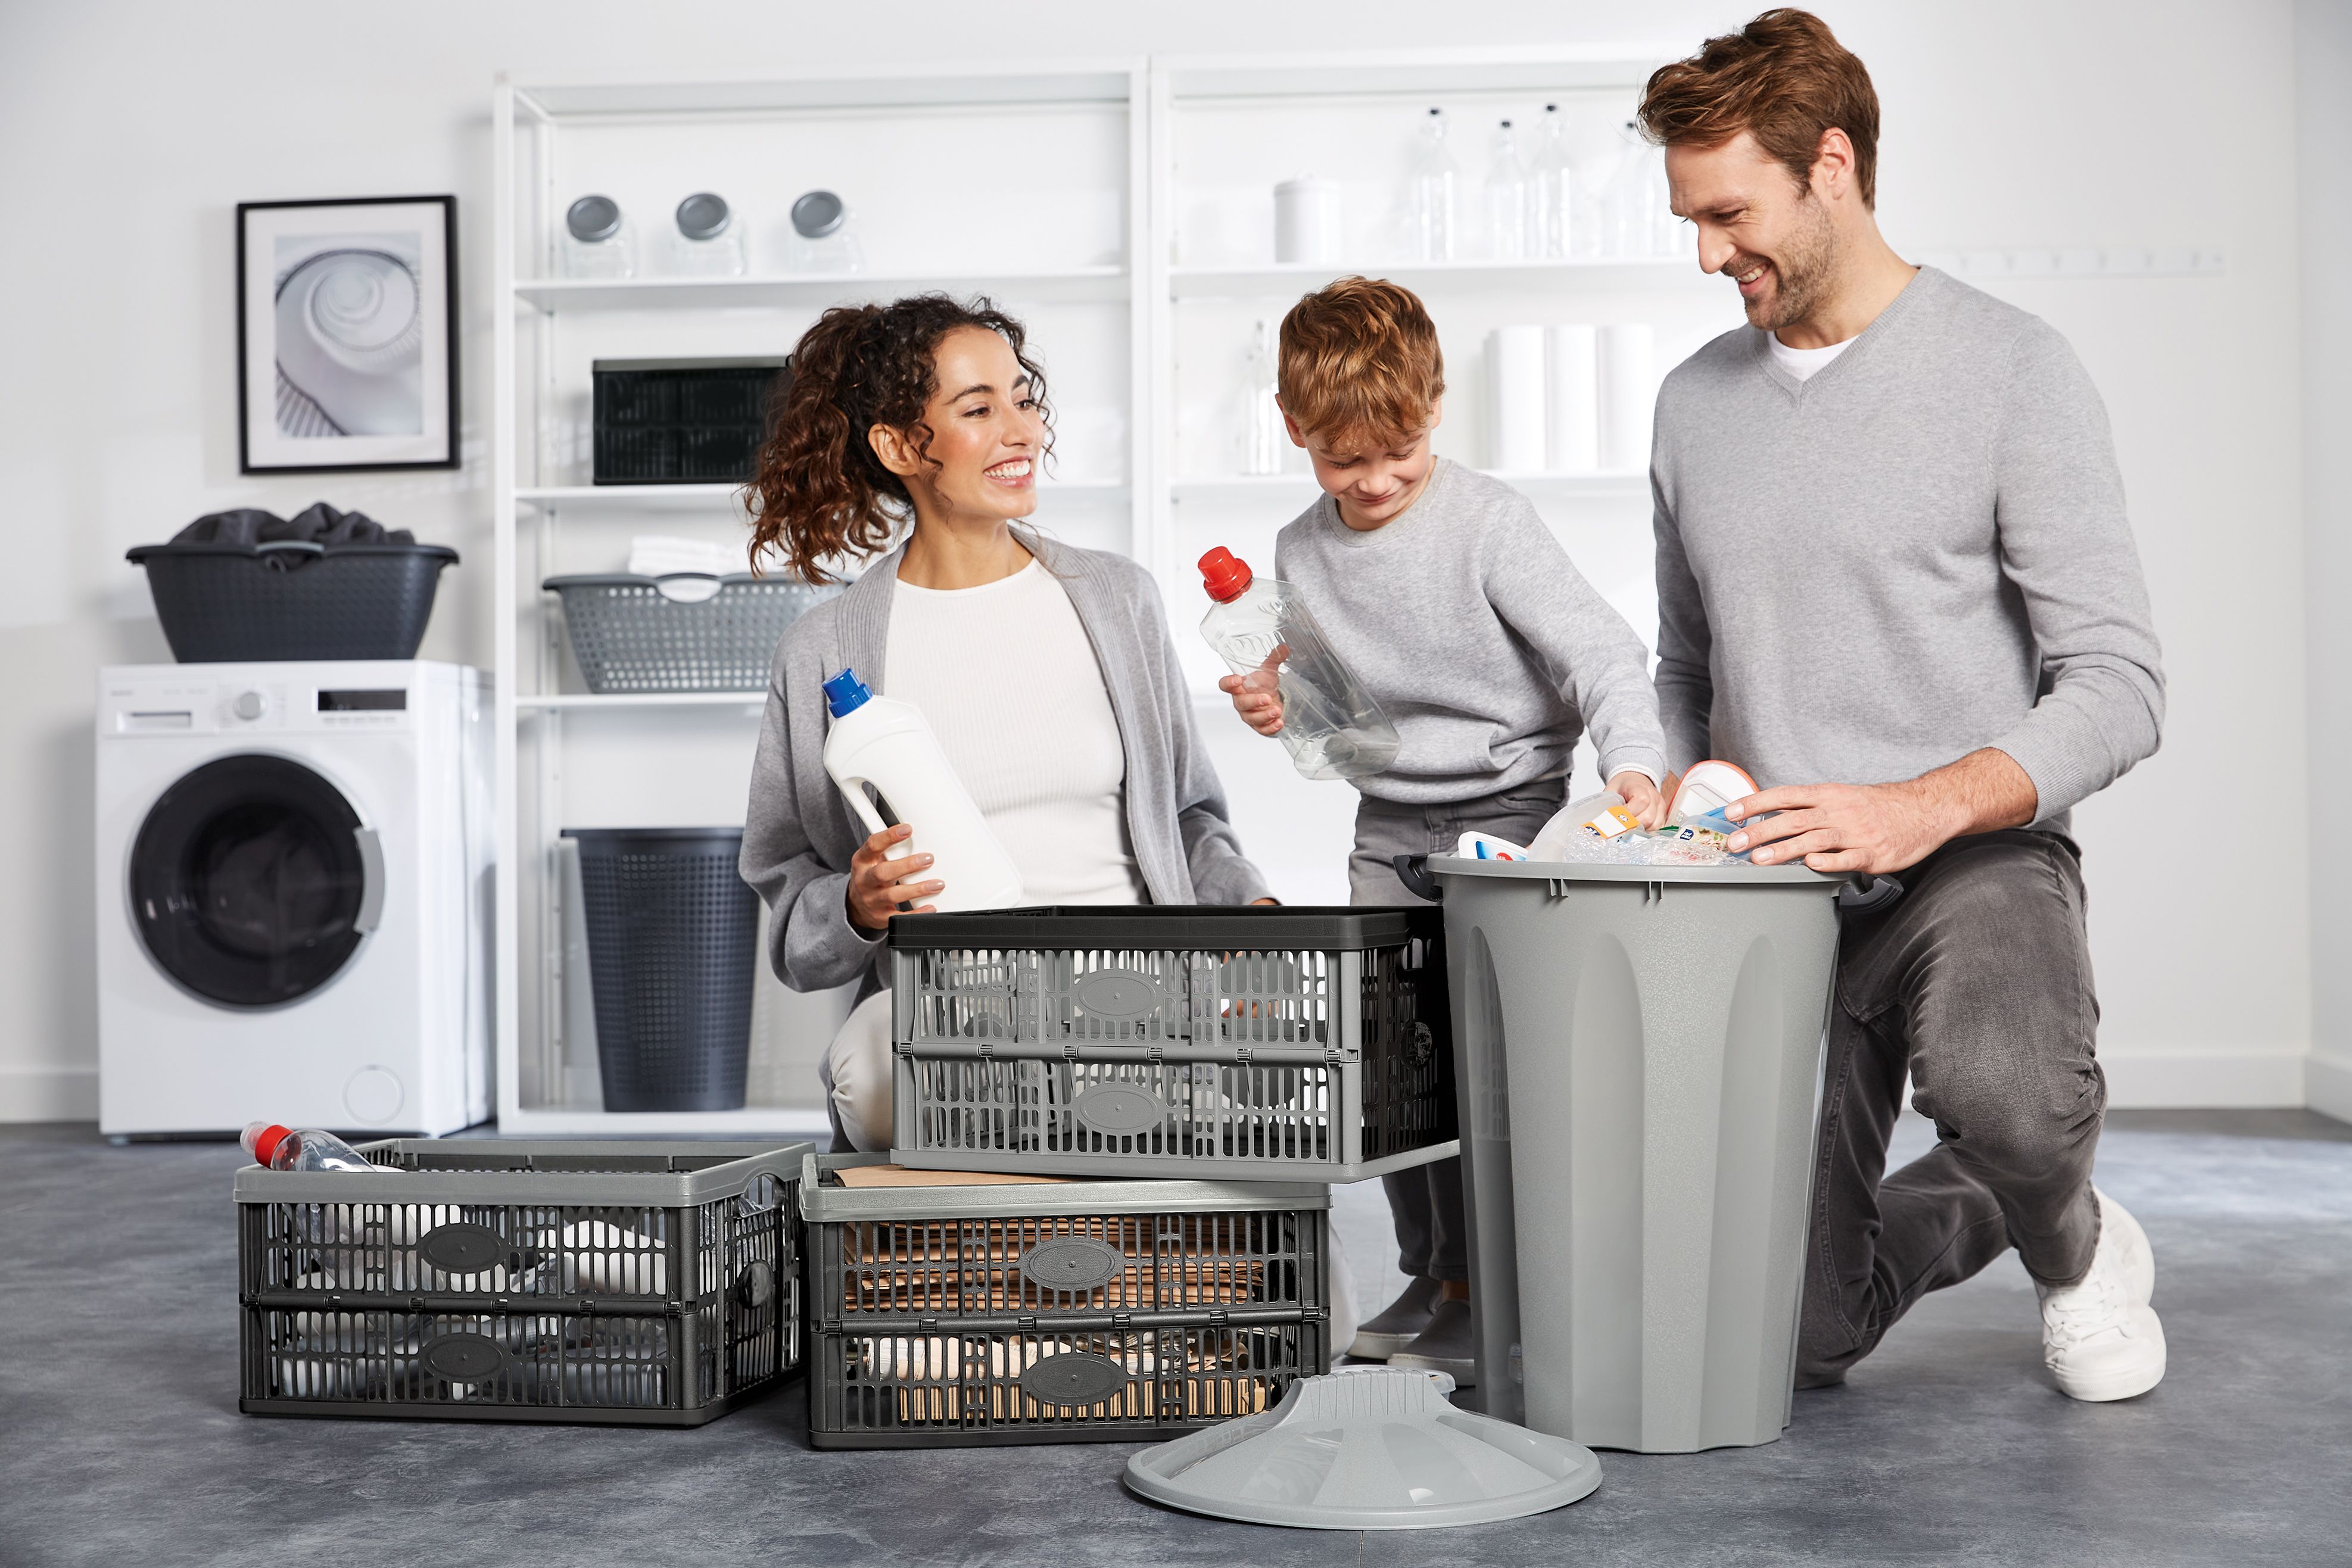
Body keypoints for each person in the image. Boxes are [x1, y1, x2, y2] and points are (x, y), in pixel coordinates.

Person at [1637, 10, 2168, 1400]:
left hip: (1968, 858)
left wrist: (1914, 808)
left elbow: (2117, 684)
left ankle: (2074, 1246)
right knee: (1798, 1339)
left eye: (1728, 214)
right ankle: (1993, 1199)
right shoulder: (1692, 406)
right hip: (1769, 889)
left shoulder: (2012, 367)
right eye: (1688, 221)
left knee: (2004, 1095)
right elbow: (1685, 666)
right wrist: (1661, 785)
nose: (1705, 254)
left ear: (1831, 165)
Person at [1220, 276, 1670, 1384]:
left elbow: (1601, 654)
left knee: (1483, 1069)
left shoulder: (1487, 522)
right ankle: (1435, 1271)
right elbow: (1336, 723)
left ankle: (1489, 1285)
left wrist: (1637, 766)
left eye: (1401, 453)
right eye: (1341, 459)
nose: (1373, 481)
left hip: (1507, 816)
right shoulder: (1299, 550)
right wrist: (1289, 707)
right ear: (1293, 431)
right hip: (1388, 826)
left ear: (1434, 413)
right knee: (1383, 1060)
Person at [737, 294, 1274, 1154]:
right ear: (900, 446)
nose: (1020, 429)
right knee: (872, 1080)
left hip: (1132, 991)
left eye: (1023, 398)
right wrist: (857, 903)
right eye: (978, 409)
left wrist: (1252, 910)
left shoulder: (1113, 597)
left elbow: (1187, 817)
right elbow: (788, 900)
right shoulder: (825, 652)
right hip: (959, 1010)